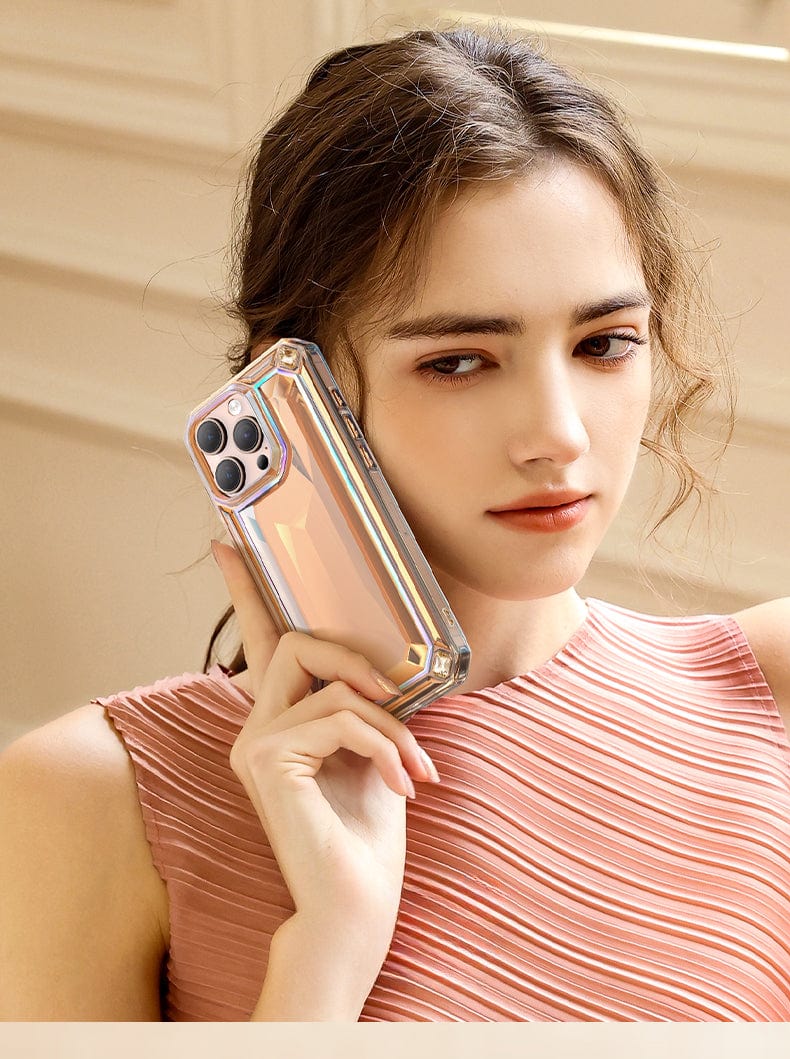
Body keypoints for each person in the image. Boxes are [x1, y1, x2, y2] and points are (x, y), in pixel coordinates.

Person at [1, 24, 789, 1023]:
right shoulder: (90, 798)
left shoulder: (769, 693)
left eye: (604, 344)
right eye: (456, 361)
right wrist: (328, 948)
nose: (557, 434)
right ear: (298, 394)